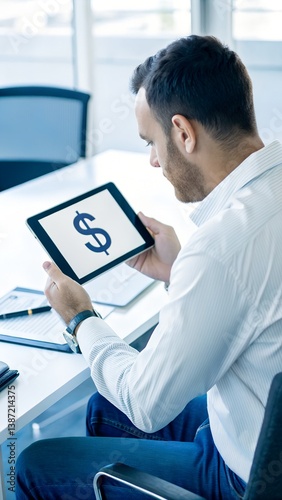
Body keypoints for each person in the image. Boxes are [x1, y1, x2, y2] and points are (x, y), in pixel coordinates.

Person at [16, 35, 282, 499]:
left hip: (247, 474)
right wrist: (180, 269)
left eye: (152, 142)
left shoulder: (222, 247)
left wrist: (81, 318)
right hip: (257, 423)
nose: (155, 161)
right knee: (103, 405)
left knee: (37, 463)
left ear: (183, 132)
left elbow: (146, 404)